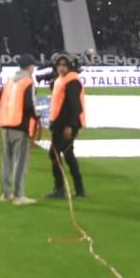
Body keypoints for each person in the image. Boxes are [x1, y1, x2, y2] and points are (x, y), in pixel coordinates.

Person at [0, 55, 38, 205]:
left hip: (5, 125)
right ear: (30, 67)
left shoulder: (9, 81)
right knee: (20, 162)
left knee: (6, 161)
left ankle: (6, 193)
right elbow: (29, 106)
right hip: (20, 126)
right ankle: (18, 195)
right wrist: (36, 116)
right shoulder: (28, 82)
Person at [45, 55, 86, 200]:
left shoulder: (72, 82)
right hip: (60, 124)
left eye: (64, 65)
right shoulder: (63, 80)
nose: (61, 67)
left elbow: (76, 106)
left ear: (69, 66)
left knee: (54, 153)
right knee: (68, 156)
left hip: (66, 125)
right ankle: (79, 189)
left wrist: (71, 125)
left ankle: (60, 188)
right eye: (59, 65)